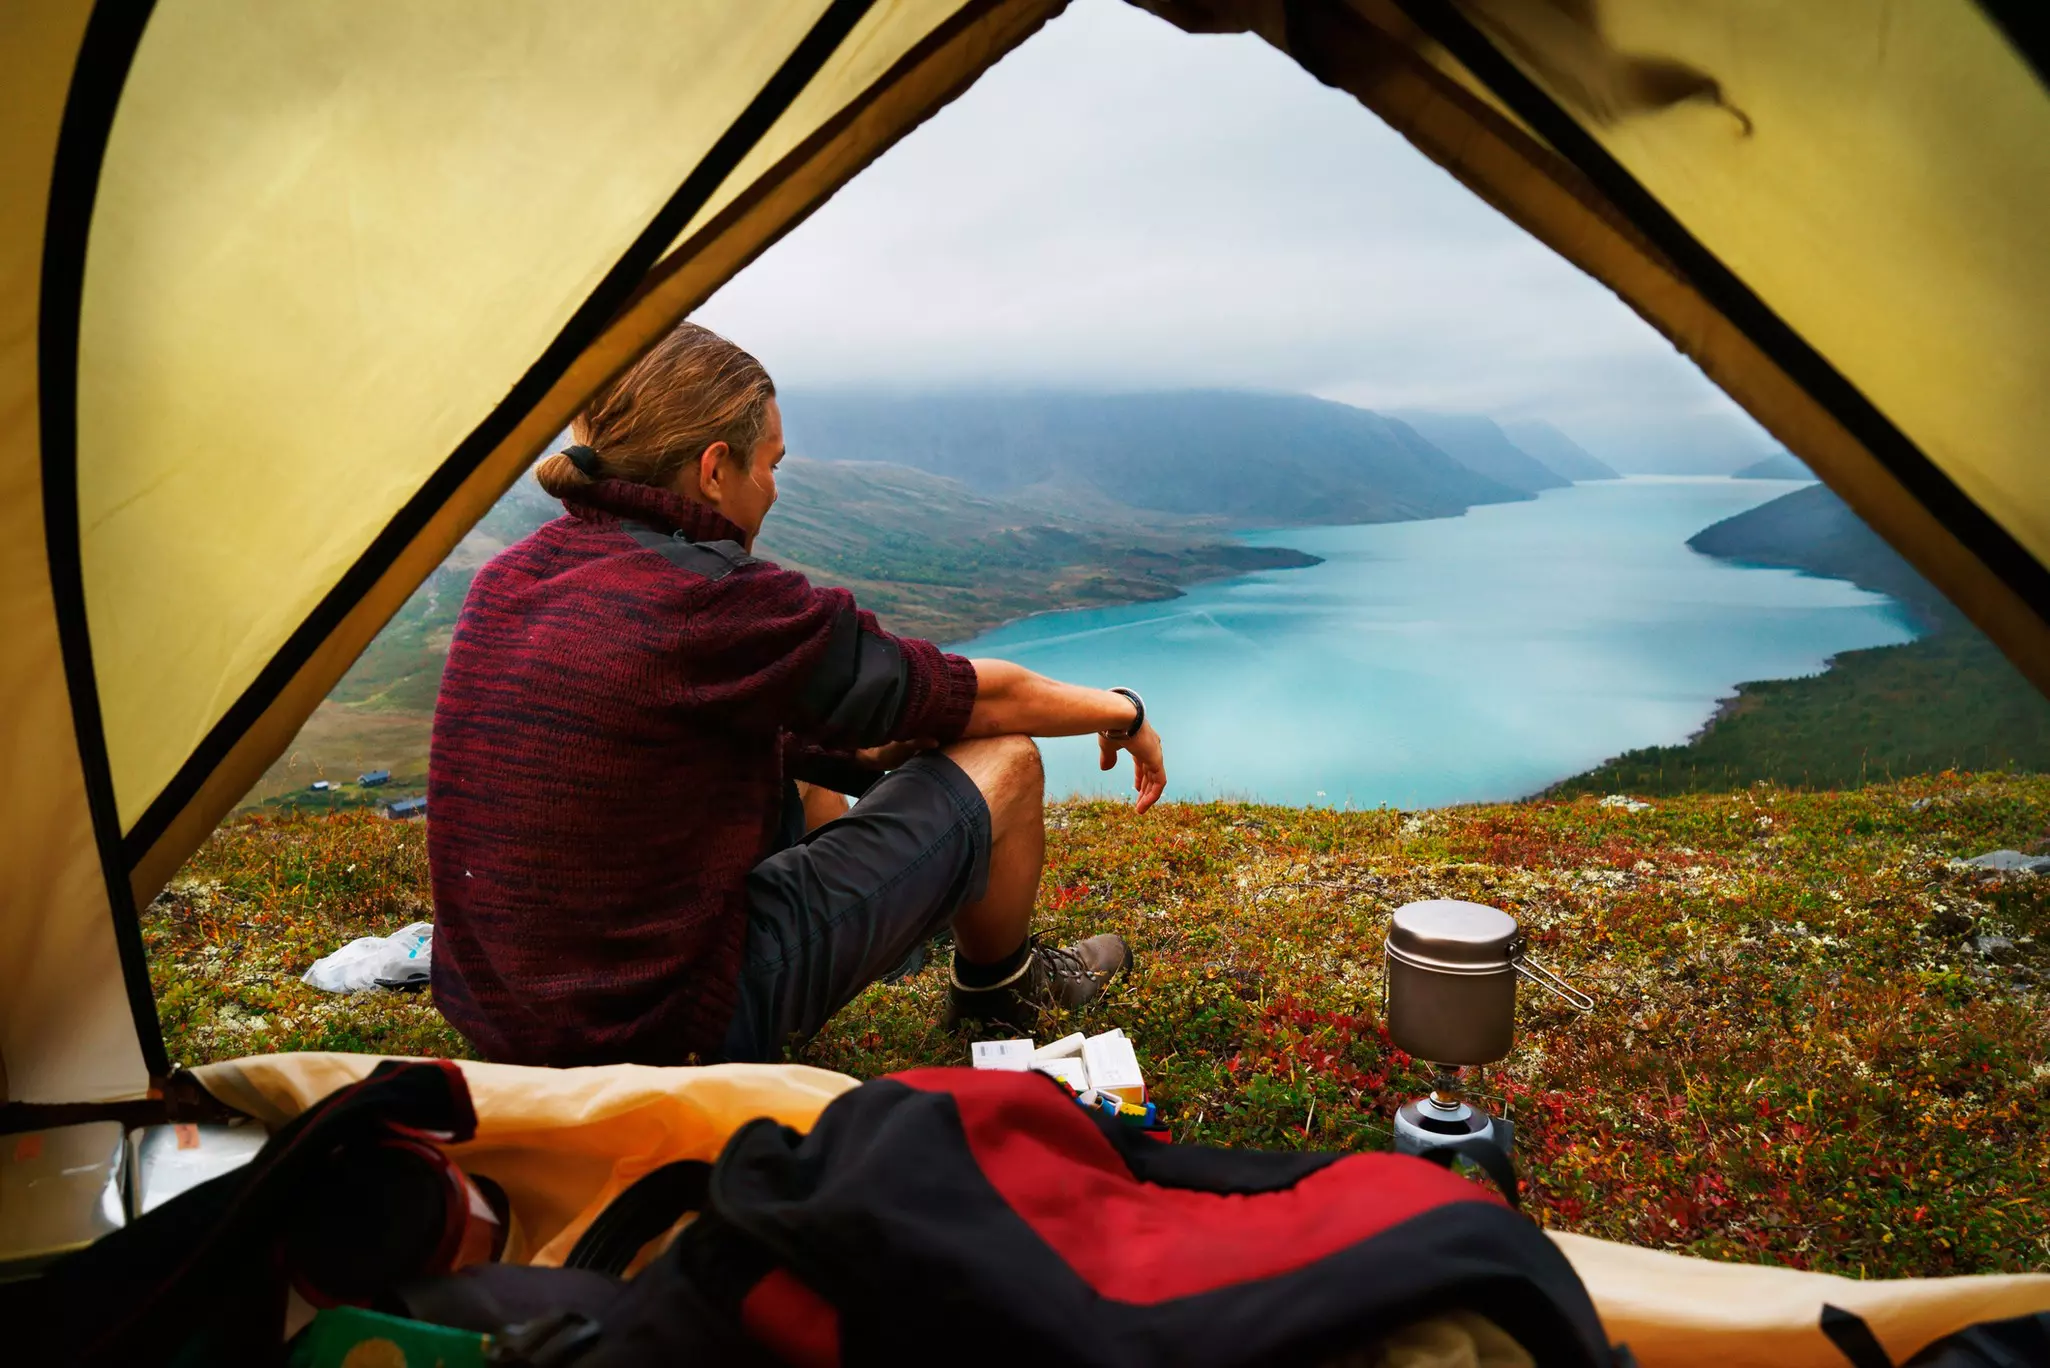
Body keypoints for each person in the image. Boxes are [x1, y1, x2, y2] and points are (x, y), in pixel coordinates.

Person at [426, 323, 1167, 1067]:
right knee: (1005, 759)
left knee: (802, 758)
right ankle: (1003, 991)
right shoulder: (709, 596)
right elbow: (980, 698)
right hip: (665, 1031)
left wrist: (880, 745)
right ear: (715, 468)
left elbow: (705, 729)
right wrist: (1122, 711)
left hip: (499, 1021)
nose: (776, 488)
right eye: (771, 464)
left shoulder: (511, 576)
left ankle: (915, 920)